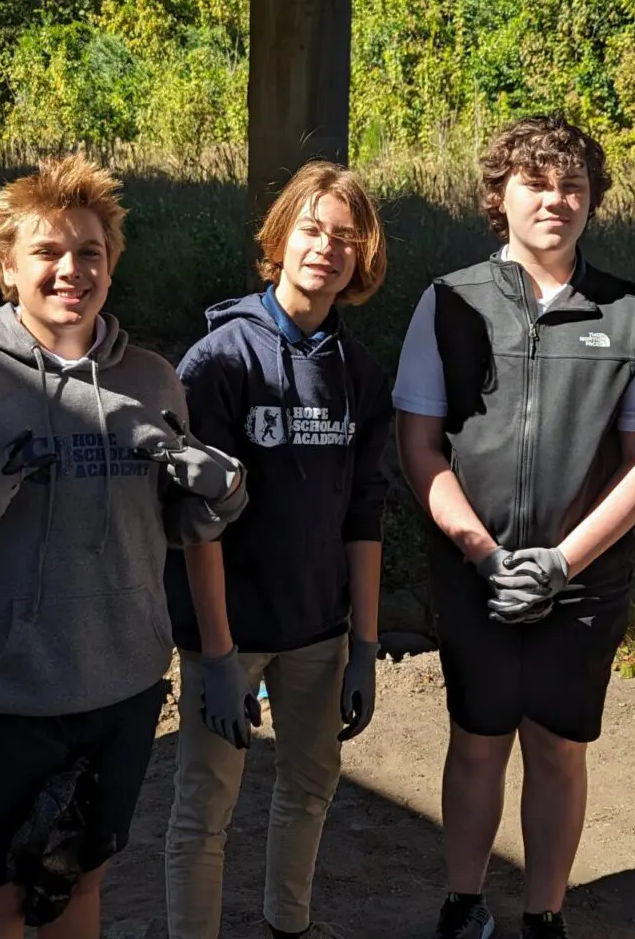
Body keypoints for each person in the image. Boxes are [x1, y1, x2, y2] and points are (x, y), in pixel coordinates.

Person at [0, 154, 247, 939]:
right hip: (1, 696)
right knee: (0, 898)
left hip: (125, 686)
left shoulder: (153, 381)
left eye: (90, 253)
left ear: (111, 267)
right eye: (47, 253)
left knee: (81, 886)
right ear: (5, 269)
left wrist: (223, 494)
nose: (71, 269)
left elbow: (178, 527)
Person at [394, 114, 635, 939]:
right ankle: (462, 901)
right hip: (471, 567)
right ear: (500, 197)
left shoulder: (632, 311)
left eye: (572, 187)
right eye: (536, 184)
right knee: (478, 735)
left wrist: (561, 562)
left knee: (557, 743)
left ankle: (544, 913)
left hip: (584, 579)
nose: (555, 200)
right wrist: (482, 555)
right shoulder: (448, 301)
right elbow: (419, 445)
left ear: (591, 201)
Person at [163, 160, 392, 939]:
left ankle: (286, 924)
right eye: (312, 230)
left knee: (309, 788)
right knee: (206, 809)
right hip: (230, 635)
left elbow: (365, 515)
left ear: (361, 258)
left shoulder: (358, 374)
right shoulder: (220, 362)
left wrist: (363, 643)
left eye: (345, 238)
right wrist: (219, 657)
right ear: (280, 237)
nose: (326, 249)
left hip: (318, 633)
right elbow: (197, 522)